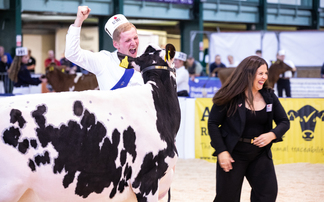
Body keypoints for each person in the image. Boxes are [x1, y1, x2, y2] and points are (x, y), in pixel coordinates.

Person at [208, 55, 290, 202]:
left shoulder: (270, 96)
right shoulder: (229, 96)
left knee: (267, 194)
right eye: (261, 73)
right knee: (227, 198)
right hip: (233, 155)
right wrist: (221, 151)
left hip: (260, 154)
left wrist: (272, 134)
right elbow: (213, 123)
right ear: (248, 74)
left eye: (266, 73)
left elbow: (284, 122)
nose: (265, 77)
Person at [65, 6, 144, 90]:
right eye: (127, 40)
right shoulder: (104, 61)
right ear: (116, 44)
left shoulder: (146, 62)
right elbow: (72, 53)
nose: (133, 43)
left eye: (135, 38)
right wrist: (78, 21)